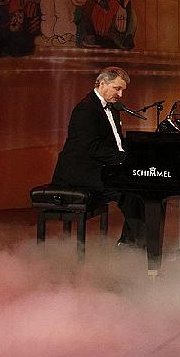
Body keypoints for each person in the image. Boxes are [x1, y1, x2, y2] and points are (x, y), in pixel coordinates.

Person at [51, 66, 145, 246]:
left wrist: (135, 153)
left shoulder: (113, 108)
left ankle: (130, 244)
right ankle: (134, 246)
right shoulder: (85, 109)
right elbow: (91, 148)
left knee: (140, 191)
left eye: (122, 90)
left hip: (100, 167)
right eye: (117, 88)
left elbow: (117, 142)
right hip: (80, 172)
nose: (120, 94)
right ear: (102, 83)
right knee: (130, 194)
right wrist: (123, 159)